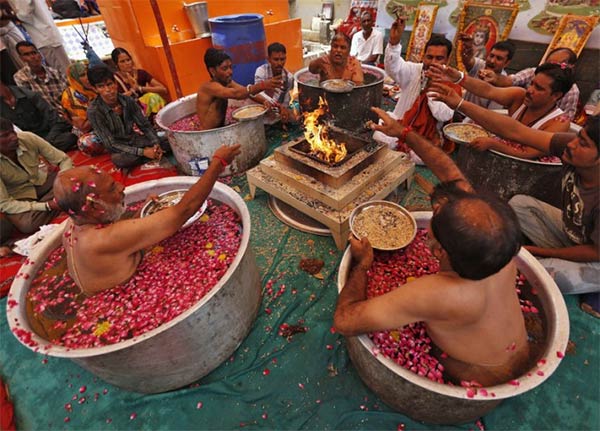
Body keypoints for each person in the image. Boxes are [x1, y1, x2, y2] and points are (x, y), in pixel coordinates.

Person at [334, 107, 529, 386]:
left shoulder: (440, 293)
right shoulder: (493, 242)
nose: (436, 208)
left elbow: (344, 321)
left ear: (438, 250)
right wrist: (403, 133)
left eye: (434, 225)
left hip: (474, 372)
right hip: (516, 348)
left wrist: (364, 264)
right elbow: (450, 174)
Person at [429, 81, 599, 313]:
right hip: (575, 232)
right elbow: (515, 131)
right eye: (579, 138)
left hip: (595, 255)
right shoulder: (570, 148)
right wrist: (459, 103)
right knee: (519, 204)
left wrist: (539, 252)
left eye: (583, 143)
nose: (572, 143)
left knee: (534, 276)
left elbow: (595, 251)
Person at [53, 143, 241, 295]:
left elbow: (119, 236)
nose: (121, 187)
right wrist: (218, 163)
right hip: (120, 299)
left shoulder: (74, 223)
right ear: (93, 206)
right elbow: (183, 212)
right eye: (112, 189)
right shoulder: (104, 239)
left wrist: (140, 214)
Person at [430, 62, 572, 159]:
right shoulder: (520, 96)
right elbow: (489, 90)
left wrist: (494, 144)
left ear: (556, 95)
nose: (530, 90)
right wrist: (458, 78)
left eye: (539, 88)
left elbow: (528, 153)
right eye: (532, 84)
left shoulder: (559, 122)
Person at [375, 15, 461, 157]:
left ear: (447, 59)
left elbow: (443, 115)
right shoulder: (415, 69)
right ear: (423, 55)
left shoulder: (452, 83)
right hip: (400, 125)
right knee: (377, 131)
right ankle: (400, 150)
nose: (433, 62)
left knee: (425, 153)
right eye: (429, 57)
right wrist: (394, 43)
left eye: (439, 58)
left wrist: (433, 85)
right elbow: (393, 68)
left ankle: (402, 152)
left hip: (426, 138)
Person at [0, 117, 73, 255]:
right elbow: (4, 203)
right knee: (28, 225)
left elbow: (63, 159)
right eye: (5, 136)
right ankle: (62, 200)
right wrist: (46, 206)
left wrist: (63, 181)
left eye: (12, 132)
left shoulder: (28, 138)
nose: (13, 137)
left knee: (76, 180)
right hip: (19, 196)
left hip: (41, 181)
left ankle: (59, 199)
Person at [86, 66, 170, 169]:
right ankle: (150, 154)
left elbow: (144, 125)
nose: (108, 90)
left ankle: (153, 152)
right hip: (120, 149)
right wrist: (143, 152)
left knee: (169, 140)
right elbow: (111, 144)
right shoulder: (94, 111)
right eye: (101, 86)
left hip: (135, 140)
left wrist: (156, 143)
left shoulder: (127, 100)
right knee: (119, 160)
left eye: (109, 84)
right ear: (95, 89)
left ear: (115, 84)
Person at [481, 47, 580, 120]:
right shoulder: (534, 72)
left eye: (539, 88)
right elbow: (511, 81)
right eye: (548, 63)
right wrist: (495, 78)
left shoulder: (573, 92)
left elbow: (565, 119)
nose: (529, 90)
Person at [196, 48, 281, 131]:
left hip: (221, 128)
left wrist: (264, 101)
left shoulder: (227, 83)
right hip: (207, 135)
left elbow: (245, 91)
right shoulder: (209, 87)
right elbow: (236, 94)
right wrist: (262, 85)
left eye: (230, 67)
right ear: (212, 71)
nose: (230, 72)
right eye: (225, 68)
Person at [0, 81, 77, 151]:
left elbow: (56, 120)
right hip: (28, 143)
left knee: (69, 138)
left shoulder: (29, 95)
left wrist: (45, 142)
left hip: (49, 135)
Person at [8, 0, 71, 73]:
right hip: (46, 34)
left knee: (63, 72)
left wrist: (9, 15)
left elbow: (25, 14)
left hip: (44, 36)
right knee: (63, 69)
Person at [459, 34, 515, 113]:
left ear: (507, 63)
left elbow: (491, 113)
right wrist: (468, 48)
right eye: (491, 56)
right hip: (460, 110)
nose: (492, 61)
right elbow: (468, 61)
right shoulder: (480, 64)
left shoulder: (503, 85)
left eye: (499, 58)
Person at [60, 61, 104, 156]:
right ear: (75, 78)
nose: (87, 77)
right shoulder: (69, 97)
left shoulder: (92, 88)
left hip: (102, 123)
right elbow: (84, 127)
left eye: (87, 73)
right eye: (83, 75)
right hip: (86, 133)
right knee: (90, 143)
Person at [111, 47, 168, 118]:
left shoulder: (141, 73)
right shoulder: (114, 79)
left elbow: (163, 89)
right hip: (129, 112)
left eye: (128, 60)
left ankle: (159, 121)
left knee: (153, 97)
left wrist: (140, 88)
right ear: (116, 64)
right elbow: (114, 99)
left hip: (145, 109)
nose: (127, 63)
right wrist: (132, 91)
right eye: (122, 61)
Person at [13, 40, 67, 113]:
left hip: (68, 113)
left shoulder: (55, 73)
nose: (33, 57)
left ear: (40, 55)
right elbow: (32, 104)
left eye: (34, 53)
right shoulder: (21, 77)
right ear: (21, 58)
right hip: (48, 118)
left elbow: (69, 95)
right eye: (27, 54)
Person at [254, 42, 297, 125]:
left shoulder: (289, 78)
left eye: (282, 59)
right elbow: (256, 93)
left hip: (277, 114)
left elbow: (286, 101)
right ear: (268, 59)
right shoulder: (261, 71)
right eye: (276, 59)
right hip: (261, 110)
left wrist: (284, 110)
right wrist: (270, 102)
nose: (280, 63)